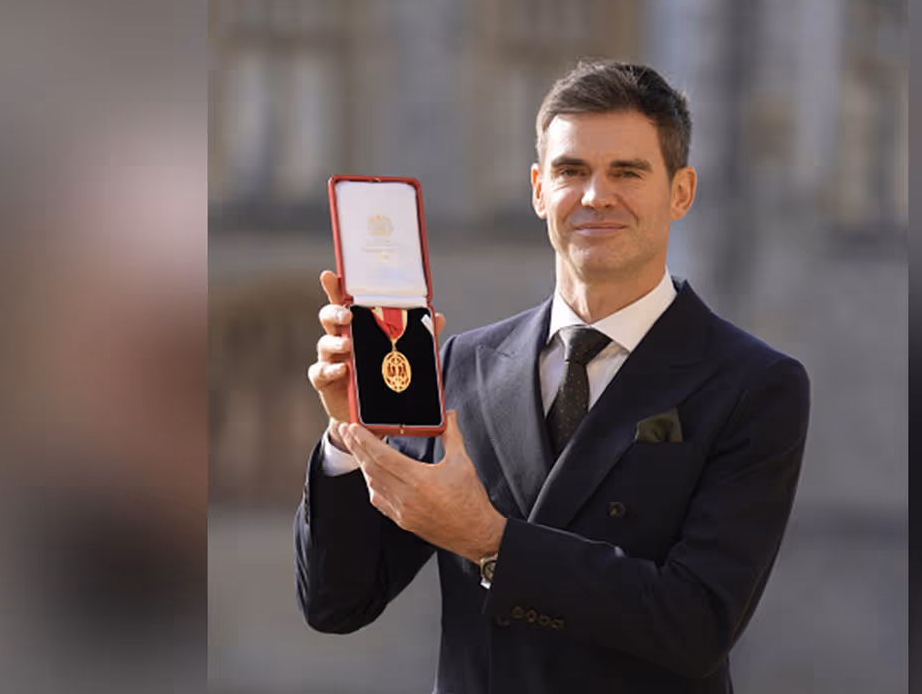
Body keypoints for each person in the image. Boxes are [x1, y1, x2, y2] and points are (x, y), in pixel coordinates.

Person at [296, 60, 810, 693]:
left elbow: (697, 623)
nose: (597, 196)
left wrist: (491, 541)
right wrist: (347, 435)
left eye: (627, 172)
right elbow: (338, 603)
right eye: (572, 171)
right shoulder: (463, 364)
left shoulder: (754, 384)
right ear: (539, 189)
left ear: (681, 192)